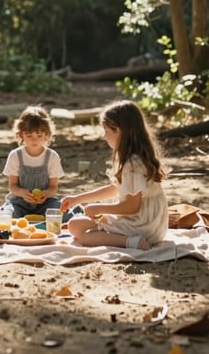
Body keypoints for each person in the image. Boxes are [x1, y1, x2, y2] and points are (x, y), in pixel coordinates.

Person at [61, 100, 168, 250]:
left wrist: (100, 209)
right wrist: (77, 199)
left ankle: (132, 242)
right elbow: (114, 189)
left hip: (142, 225)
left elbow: (132, 207)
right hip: (150, 223)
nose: (104, 137)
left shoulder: (133, 165)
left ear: (118, 130)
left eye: (106, 131)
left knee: (77, 230)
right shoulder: (133, 158)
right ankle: (126, 238)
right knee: (76, 225)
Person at [2, 105, 67, 219]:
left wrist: (45, 194)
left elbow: (53, 187)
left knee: (61, 211)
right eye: (29, 135)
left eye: (39, 135)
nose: (34, 139)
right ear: (21, 134)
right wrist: (22, 193)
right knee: (8, 213)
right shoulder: (15, 156)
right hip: (20, 202)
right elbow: (12, 186)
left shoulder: (52, 156)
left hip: (45, 203)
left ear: (47, 134)